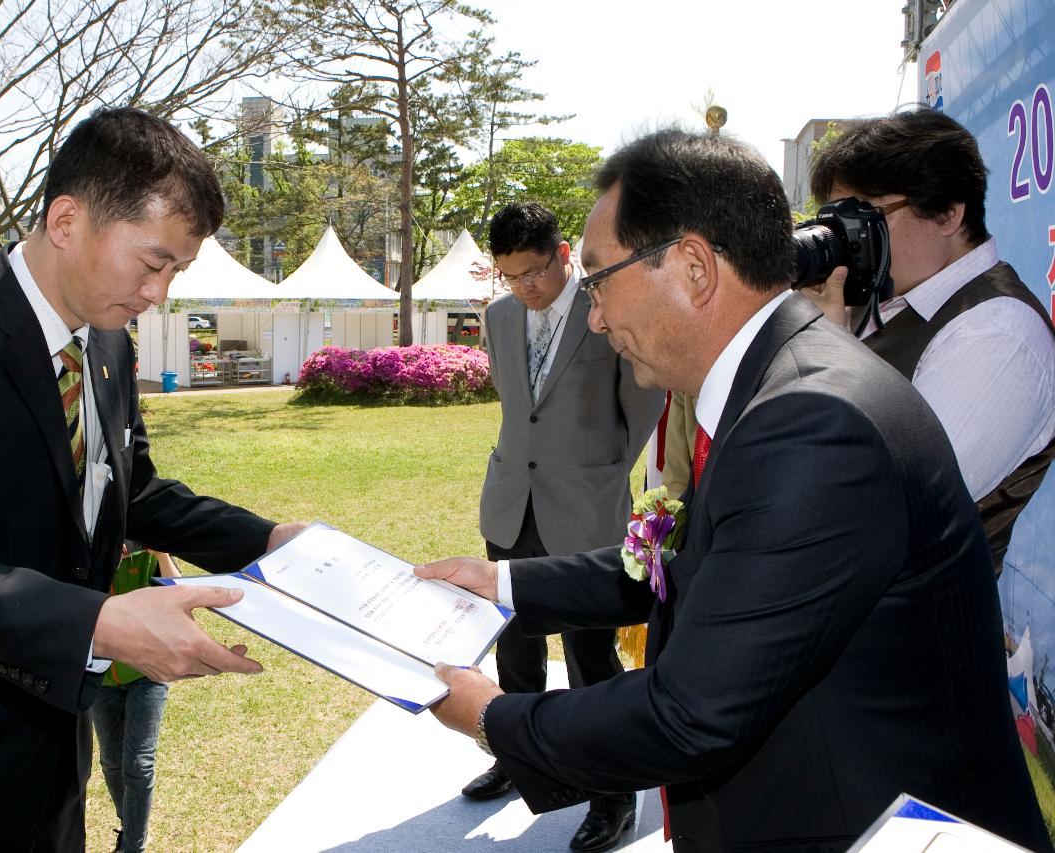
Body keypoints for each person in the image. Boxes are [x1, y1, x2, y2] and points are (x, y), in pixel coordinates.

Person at [417, 129, 1051, 852]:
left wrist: (491, 715)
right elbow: (696, 569)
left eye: (598, 281)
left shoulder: (811, 420)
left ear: (691, 267)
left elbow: (690, 711)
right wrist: (499, 581)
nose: (594, 316)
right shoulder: (787, 380)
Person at [0, 107, 306, 852]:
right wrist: (102, 623)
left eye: (177, 270)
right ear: (67, 220)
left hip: (51, 755)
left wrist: (271, 540)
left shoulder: (106, 345)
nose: (160, 295)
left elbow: (129, 490)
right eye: (152, 263)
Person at [473, 201, 662, 852]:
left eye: (532, 271)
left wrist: (601, 474)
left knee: (590, 659)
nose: (523, 287)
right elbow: (513, 403)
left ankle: (613, 796)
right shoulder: (499, 317)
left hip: (584, 510)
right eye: (509, 276)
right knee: (515, 646)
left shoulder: (607, 307)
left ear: (562, 254)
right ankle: (519, 757)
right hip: (511, 504)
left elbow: (642, 404)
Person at [807, 107, 1055, 574]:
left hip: (915, 633)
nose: (850, 239)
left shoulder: (998, 333)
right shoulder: (881, 299)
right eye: (837, 222)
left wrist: (824, 352)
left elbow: (888, 503)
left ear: (947, 212)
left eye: (867, 217)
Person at [94, 546, 181, 853]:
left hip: (148, 672)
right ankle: (131, 826)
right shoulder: (89, 551)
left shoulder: (147, 553)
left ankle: (133, 846)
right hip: (101, 676)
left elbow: (179, 592)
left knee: (139, 764)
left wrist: (162, 556)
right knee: (112, 763)